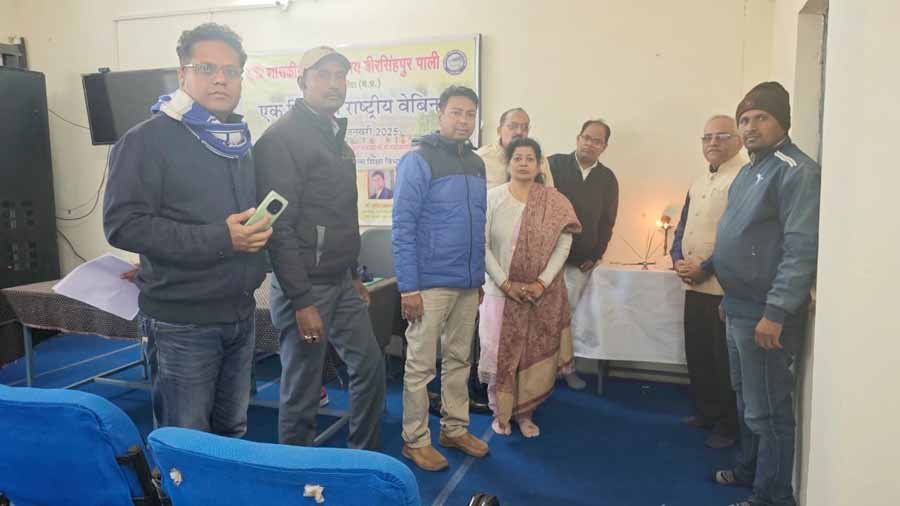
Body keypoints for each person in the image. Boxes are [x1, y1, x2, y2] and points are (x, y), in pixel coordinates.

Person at [103, 23, 270, 436]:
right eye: (206, 68)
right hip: (183, 323)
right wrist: (222, 238)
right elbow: (123, 225)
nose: (220, 79)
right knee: (185, 439)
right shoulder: (146, 140)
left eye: (231, 71)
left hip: (240, 313)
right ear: (182, 75)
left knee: (232, 432)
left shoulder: (236, 140)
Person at [682, 82, 820, 506]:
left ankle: (771, 496)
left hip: (765, 314)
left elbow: (800, 248)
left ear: (783, 122)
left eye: (761, 117)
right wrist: (729, 295)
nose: (750, 127)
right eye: (744, 119)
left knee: (769, 412)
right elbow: (736, 241)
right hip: (738, 306)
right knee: (745, 401)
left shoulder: (796, 171)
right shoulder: (751, 171)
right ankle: (749, 470)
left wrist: (776, 311)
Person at [253, 46, 385, 450]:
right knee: (303, 390)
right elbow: (279, 228)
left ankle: (362, 458)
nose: (334, 83)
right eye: (323, 75)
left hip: (341, 282)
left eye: (340, 75)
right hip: (305, 288)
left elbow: (340, 215)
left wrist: (352, 274)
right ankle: (297, 473)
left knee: (370, 367)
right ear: (302, 81)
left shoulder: (336, 139)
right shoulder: (281, 138)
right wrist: (301, 301)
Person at [392, 85, 489, 471]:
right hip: (429, 284)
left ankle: (454, 428)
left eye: (470, 114)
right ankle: (415, 440)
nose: (463, 121)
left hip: (467, 283)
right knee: (420, 366)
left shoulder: (477, 163)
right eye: (456, 112)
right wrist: (408, 288)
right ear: (440, 114)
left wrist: (478, 279)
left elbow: (478, 225)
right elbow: (403, 225)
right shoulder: (418, 159)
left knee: (460, 360)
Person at [479, 137, 580, 438]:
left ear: (538, 165)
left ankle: (526, 414)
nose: (523, 163)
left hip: (540, 296)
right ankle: (500, 413)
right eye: (517, 158)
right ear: (508, 164)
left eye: (529, 158)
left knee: (531, 355)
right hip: (500, 293)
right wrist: (505, 283)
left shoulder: (554, 201)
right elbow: (482, 245)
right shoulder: (492, 198)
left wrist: (541, 283)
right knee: (499, 354)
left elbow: (564, 243)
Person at [671, 115, 747, 449]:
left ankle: (728, 425)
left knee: (723, 359)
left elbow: (739, 236)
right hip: (693, 284)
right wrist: (677, 257)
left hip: (722, 286)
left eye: (721, 136)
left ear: (738, 141)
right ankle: (706, 411)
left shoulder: (744, 178)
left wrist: (705, 267)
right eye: (707, 137)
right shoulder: (699, 179)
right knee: (698, 352)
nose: (712, 143)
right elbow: (682, 225)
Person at [548, 119, 619, 390]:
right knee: (542, 317)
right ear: (578, 138)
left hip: (580, 262)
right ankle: (539, 372)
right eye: (586, 138)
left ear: (604, 147)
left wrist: (597, 254)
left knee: (569, 318)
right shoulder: (554, 165)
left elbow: (608, 221)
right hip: (547, 260)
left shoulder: (607, 179)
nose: (590, 144)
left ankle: (567, 369)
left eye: (597, 141)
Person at [476, 107, 554, 189]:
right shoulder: (482, 158)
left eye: (525, 127)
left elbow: (550, 192)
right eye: (512, 126)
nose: (519, 132)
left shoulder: (539, 159)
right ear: (499, 131)